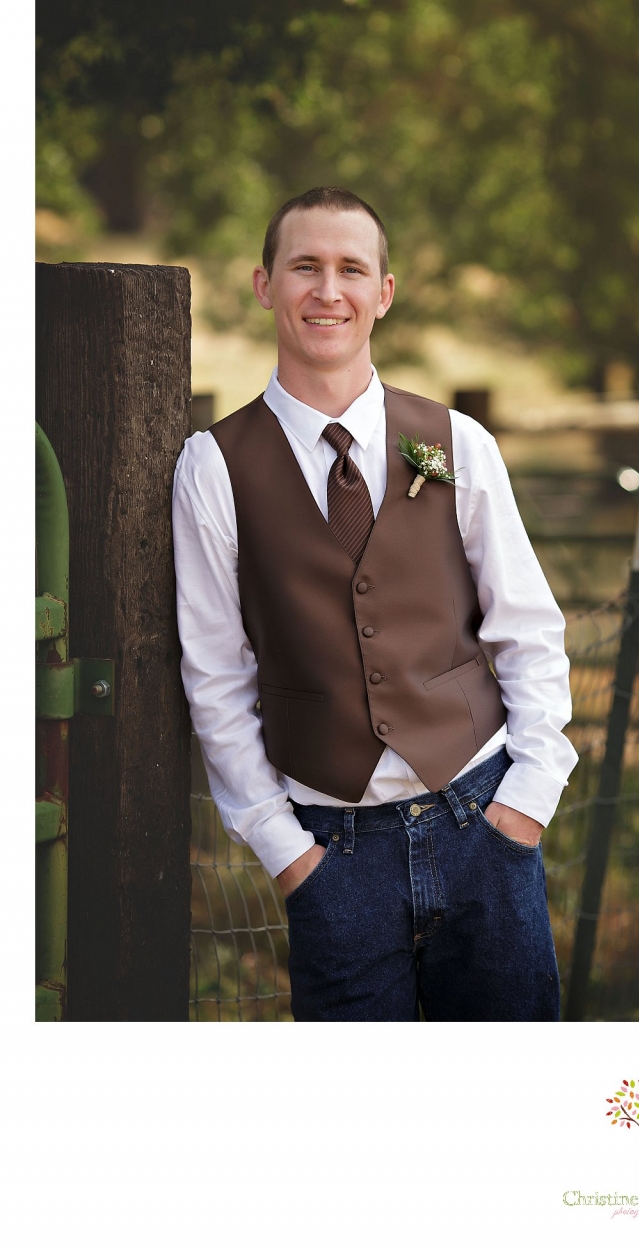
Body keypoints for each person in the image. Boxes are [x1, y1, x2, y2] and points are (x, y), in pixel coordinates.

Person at [172, 186, 578, 1021]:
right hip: (335, 856)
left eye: (351, 269)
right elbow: (215, 676)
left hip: (483, 826)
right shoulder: (213, 466)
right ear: (264, 285)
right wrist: (288, 854)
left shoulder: (455, 443)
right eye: (305, 267)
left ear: (384, 293)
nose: (328, 291)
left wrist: (527, 803)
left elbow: (527, 629)